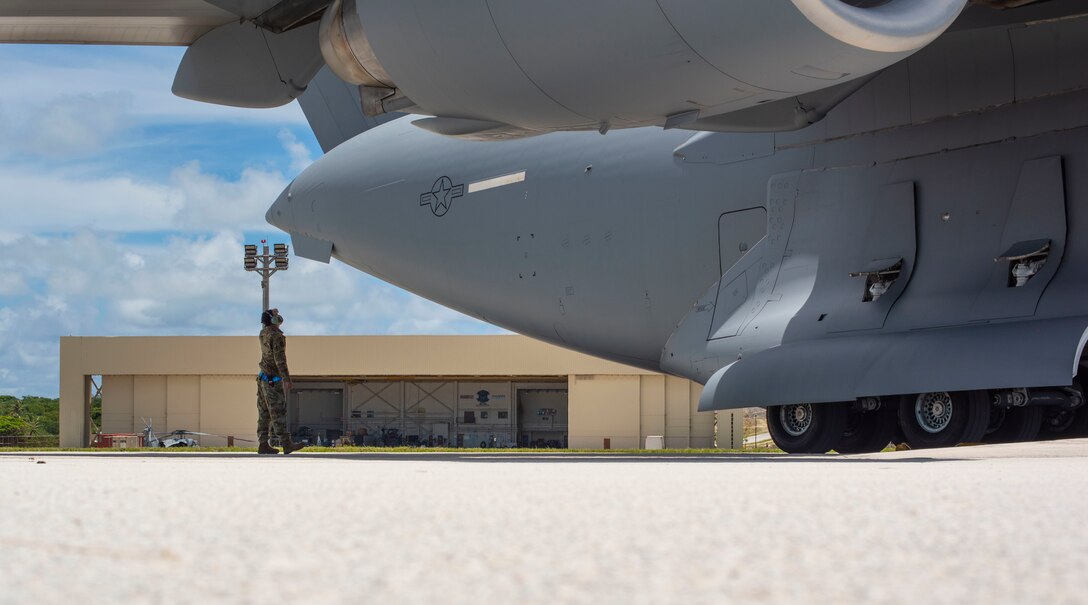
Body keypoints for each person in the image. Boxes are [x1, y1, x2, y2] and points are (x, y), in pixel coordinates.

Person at [256, 308, 304, 455]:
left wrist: (270, 312)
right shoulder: (276, 336)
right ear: (272, 320)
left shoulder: (263, 333)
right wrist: (286, 379)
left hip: (263, 378)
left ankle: (263, 444)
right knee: (278, 411)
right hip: (272, 379)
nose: (279, 317)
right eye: (276, 316)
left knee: (264, 413)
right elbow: (280, 360)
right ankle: (286, 443)